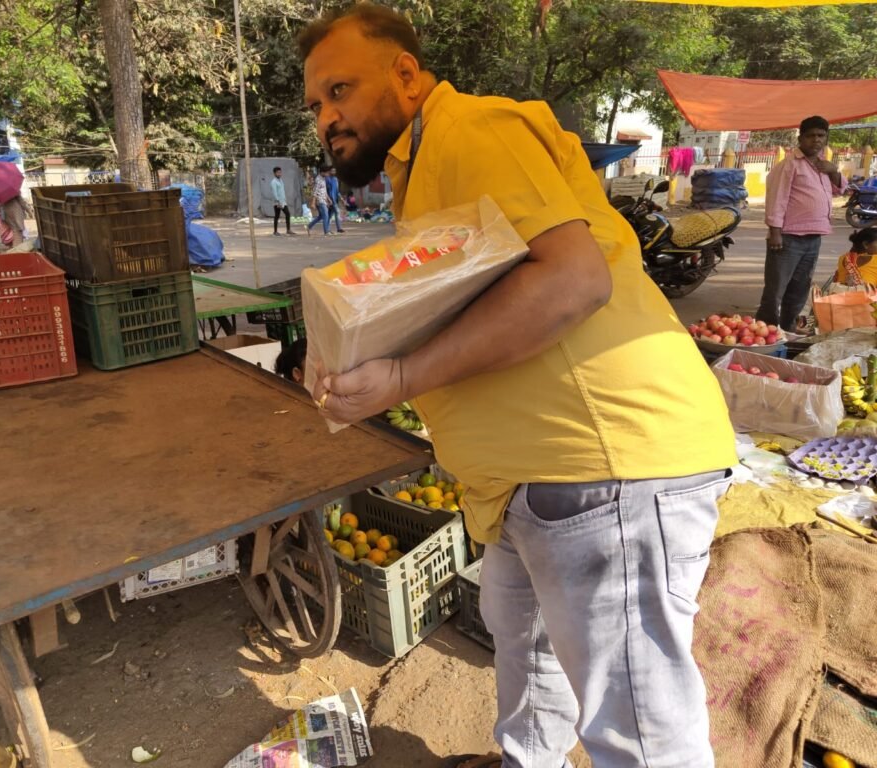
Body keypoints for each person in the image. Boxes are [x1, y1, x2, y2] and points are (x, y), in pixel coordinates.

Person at [299, 6, 735, 768]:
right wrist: (344, 340)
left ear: (406, 74)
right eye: (314, 105)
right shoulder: (422, 168)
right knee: (530, 677)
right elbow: (473, 298)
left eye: (340, 90)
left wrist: (399, 377)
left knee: (641, 739)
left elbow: (572, 281)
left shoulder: (471, 132)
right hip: (529, 489)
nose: (325, 118)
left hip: (607, 471)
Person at [758, 116, 845, 332]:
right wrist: (775, 231)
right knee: (776, 290)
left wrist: (833, 171)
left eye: (821, 135)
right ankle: (765, 332)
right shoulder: (789, 165)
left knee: (799, 290)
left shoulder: (823, 165)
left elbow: (839, 190)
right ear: (800, 138)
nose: (816, 140)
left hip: (813, 237)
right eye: (810, 136)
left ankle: (787, 331)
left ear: (826, 138)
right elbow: (777, 198)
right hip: (788, 238)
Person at [306, 168, 332, 235]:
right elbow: (315, 191)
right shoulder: (318, 180)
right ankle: (326, 231)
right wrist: (313, 202)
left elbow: (324, 191)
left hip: (323, 199)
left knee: (321, 216)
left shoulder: (323, 179)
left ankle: (309, 226)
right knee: (326, 215)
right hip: (319, 200)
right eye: (326, 173)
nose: (327, 174)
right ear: (322, 172)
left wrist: (328, 199)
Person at [271, 166, 294, 236]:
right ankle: (275, 231)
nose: (279, 174)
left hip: (283, 201)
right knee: (277, 216)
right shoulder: (273, 182)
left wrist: (284, 200)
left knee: (288, 214)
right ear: (274, 173)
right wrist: (278, 202)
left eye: (280, 172)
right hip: (277, 202)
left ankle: (288, 230)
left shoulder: (280, 180)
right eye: (278, 173)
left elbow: (282, 191)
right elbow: (274, 193)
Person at [326, 166, 346, 233]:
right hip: (330, 200)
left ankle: (327, 229)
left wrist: (341, 198)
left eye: (335, 171)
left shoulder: (335, 179)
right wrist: (328, 200)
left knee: (330, 215)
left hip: (335, 200)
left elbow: (337, 191)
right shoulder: (327, 179)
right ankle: (338, 228)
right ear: (329, 171)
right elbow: (327, 191)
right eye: (332, 171)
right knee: (337, 212)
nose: (334, 172)